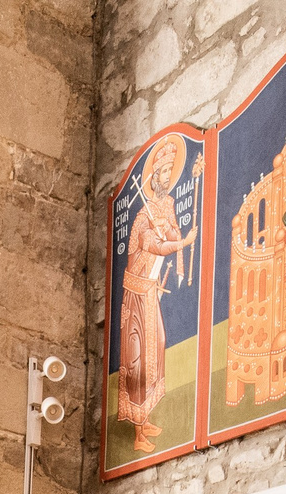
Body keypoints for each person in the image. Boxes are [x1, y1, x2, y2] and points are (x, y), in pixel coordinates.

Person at [116, 133, 195, 453]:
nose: (166, 178)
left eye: (169, 172)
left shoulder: (165, 206)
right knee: (137, 359)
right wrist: (182, 242)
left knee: (158, 346)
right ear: (153, 178)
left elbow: (171, 230)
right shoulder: (141, 217)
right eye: (162, 173)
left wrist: (173, 230)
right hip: (136, 295)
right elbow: (154, 246)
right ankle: (137, 433)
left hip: (150, 291)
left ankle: (145, 418)